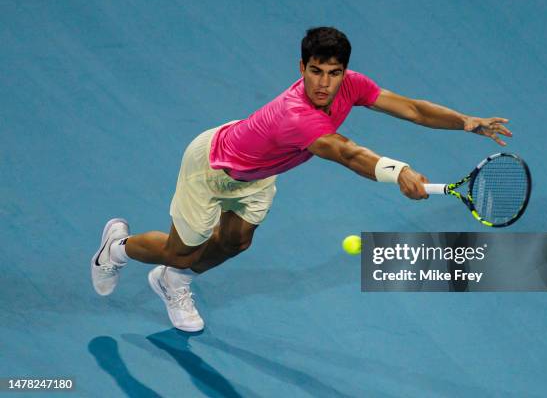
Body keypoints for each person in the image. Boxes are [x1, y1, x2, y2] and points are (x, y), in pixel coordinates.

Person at [90, 27, 512, 332]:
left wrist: (466, 122)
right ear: (302, 67)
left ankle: (173, 282)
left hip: (258, 173)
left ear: (345, 72)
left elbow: (414, 110)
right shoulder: (296, 115)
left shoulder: (353, 86)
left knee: (236, 241)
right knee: (180, 251)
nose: (324, 83)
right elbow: (346, 152)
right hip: (212, 170)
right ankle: (116, 249)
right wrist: (398, 170)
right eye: (315, 71)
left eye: (333, 73)